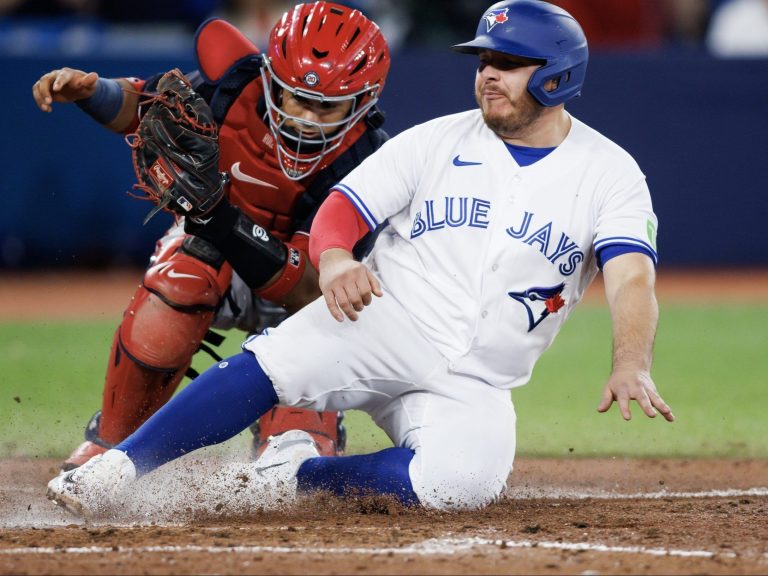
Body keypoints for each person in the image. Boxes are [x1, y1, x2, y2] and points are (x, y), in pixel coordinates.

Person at [47, 0, 675, 516]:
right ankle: (111, 470)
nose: (488, 74)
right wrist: (340, 259)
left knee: (461, 486)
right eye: (484, 59)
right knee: (272, 362)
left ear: (558, 76)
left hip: (477, 378)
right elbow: (343, 209)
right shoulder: (436, 141)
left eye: (507, 63)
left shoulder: (609, 174)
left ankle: (296, 479)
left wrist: (631, 363)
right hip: (384, 323)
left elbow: (631, 277)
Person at [32, 1, 390, 469]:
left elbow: (306, 289)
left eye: (327, 107)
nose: (306, 118)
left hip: (302, 287)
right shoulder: (232, 89)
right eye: (297, 98)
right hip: (214, 256)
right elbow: (146, 106)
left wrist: (220, 217)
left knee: (320, 326)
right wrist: (91, 91)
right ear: (269, 81)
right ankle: (115, 440)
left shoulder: (371, 160)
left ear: (362, 103)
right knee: (180, 278)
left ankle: (299, 432)